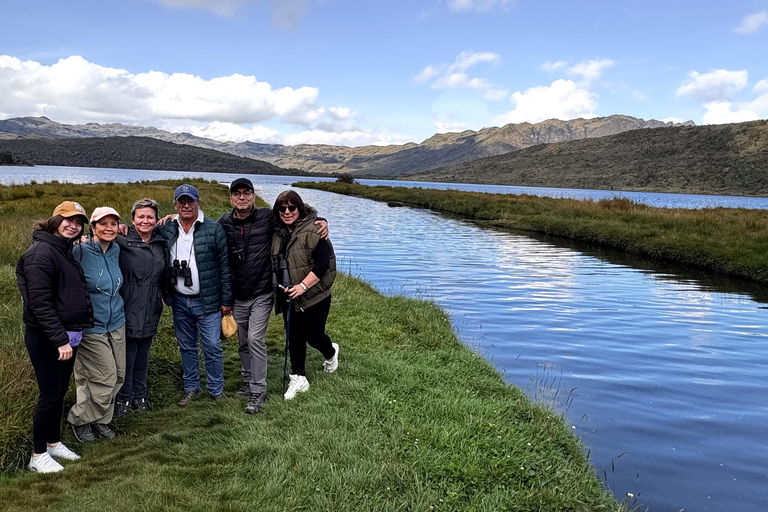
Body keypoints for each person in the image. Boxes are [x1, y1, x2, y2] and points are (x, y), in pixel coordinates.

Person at [218, 178, 328, 414]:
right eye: (236, 194)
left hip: (262, 292)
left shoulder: (267, 217)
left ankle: (258, 390)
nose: (241, 197)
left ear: (253, 196)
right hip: (238, 294)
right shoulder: (224, 222)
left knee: (256, 339)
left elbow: (301, 217)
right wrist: (170, 220)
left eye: (246, 193)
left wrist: (321, 220)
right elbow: (202, 230)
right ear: (230, 198)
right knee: (243, 341)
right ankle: (248, 382)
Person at [16, 201, 93, 472]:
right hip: (47, 337)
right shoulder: (41, 253)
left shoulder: (64, 249)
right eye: (68, 220)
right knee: (49, 395)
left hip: (66, 336)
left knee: (59, 392)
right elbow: (39, 303)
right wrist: (60, 339)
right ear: (55, 221)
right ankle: (37, 456)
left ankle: (53, 443)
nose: (73, 225)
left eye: (78, 221)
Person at [156, 184, 232, 406]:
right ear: (175, 205)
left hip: (207, 300)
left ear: (199, 202)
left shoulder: (214, 228)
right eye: (181, 201)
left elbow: (225, 267)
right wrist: (121, 228)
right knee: (186, 346)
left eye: (190, 201)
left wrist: (226, 301)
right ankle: (191, 388)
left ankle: (216, 389)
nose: (186, 205)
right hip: (179, 299)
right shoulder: (167, 227)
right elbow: (143, 229)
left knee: (212, 346)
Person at [271, 190, 339, 400]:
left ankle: (331, 353)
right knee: (294, 336)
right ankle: (299, 378)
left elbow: (322, 264)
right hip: (289, 295)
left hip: (315, 295)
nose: (287, 212)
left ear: (300, 208)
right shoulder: (275, 231)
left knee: (314, 335)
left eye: (292, 207)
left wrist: (302, 286)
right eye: (282, 208)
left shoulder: (315, 229)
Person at [67, 207, 126, 443]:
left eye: (114, 224)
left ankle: (101, 420)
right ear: (93, 228)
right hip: (91, 326)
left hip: (117, 322)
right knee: (104, 377)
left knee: (119, 375)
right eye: (103, 224)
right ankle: (79, 420)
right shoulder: (78, 252)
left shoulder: (116, 249)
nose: (109, 228)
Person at [113, 198, 167, 417]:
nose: (145, 221)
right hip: (126, 305)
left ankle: (140, 395)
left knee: (143, 355)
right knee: (128, 355)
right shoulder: (121, 240)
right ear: (133, 218)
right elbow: (96, 237)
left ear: (156, 219)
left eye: (150, 217)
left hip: (151, 306)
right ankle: (124, 398)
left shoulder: (161, 241)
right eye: (141, 216)